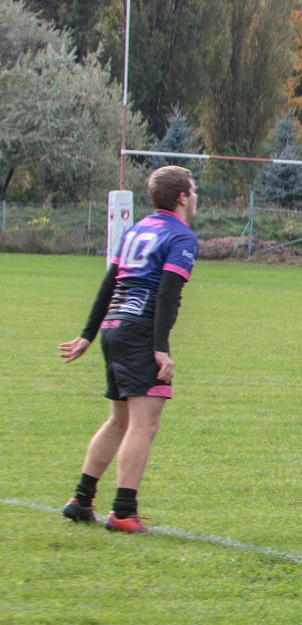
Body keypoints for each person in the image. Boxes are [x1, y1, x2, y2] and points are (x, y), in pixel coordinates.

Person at [59, 166, 200, 533]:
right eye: (193, 190)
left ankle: (81, 500)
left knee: (118, 420)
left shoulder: (136, 229)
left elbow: (109, 284)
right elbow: (166, 294)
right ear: (182, 197)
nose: (196, 196)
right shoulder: (181, 236)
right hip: (140, 331)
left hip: (114, 327)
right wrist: (160, 348)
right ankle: (123, 511)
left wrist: (89, 334)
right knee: (143, 423)